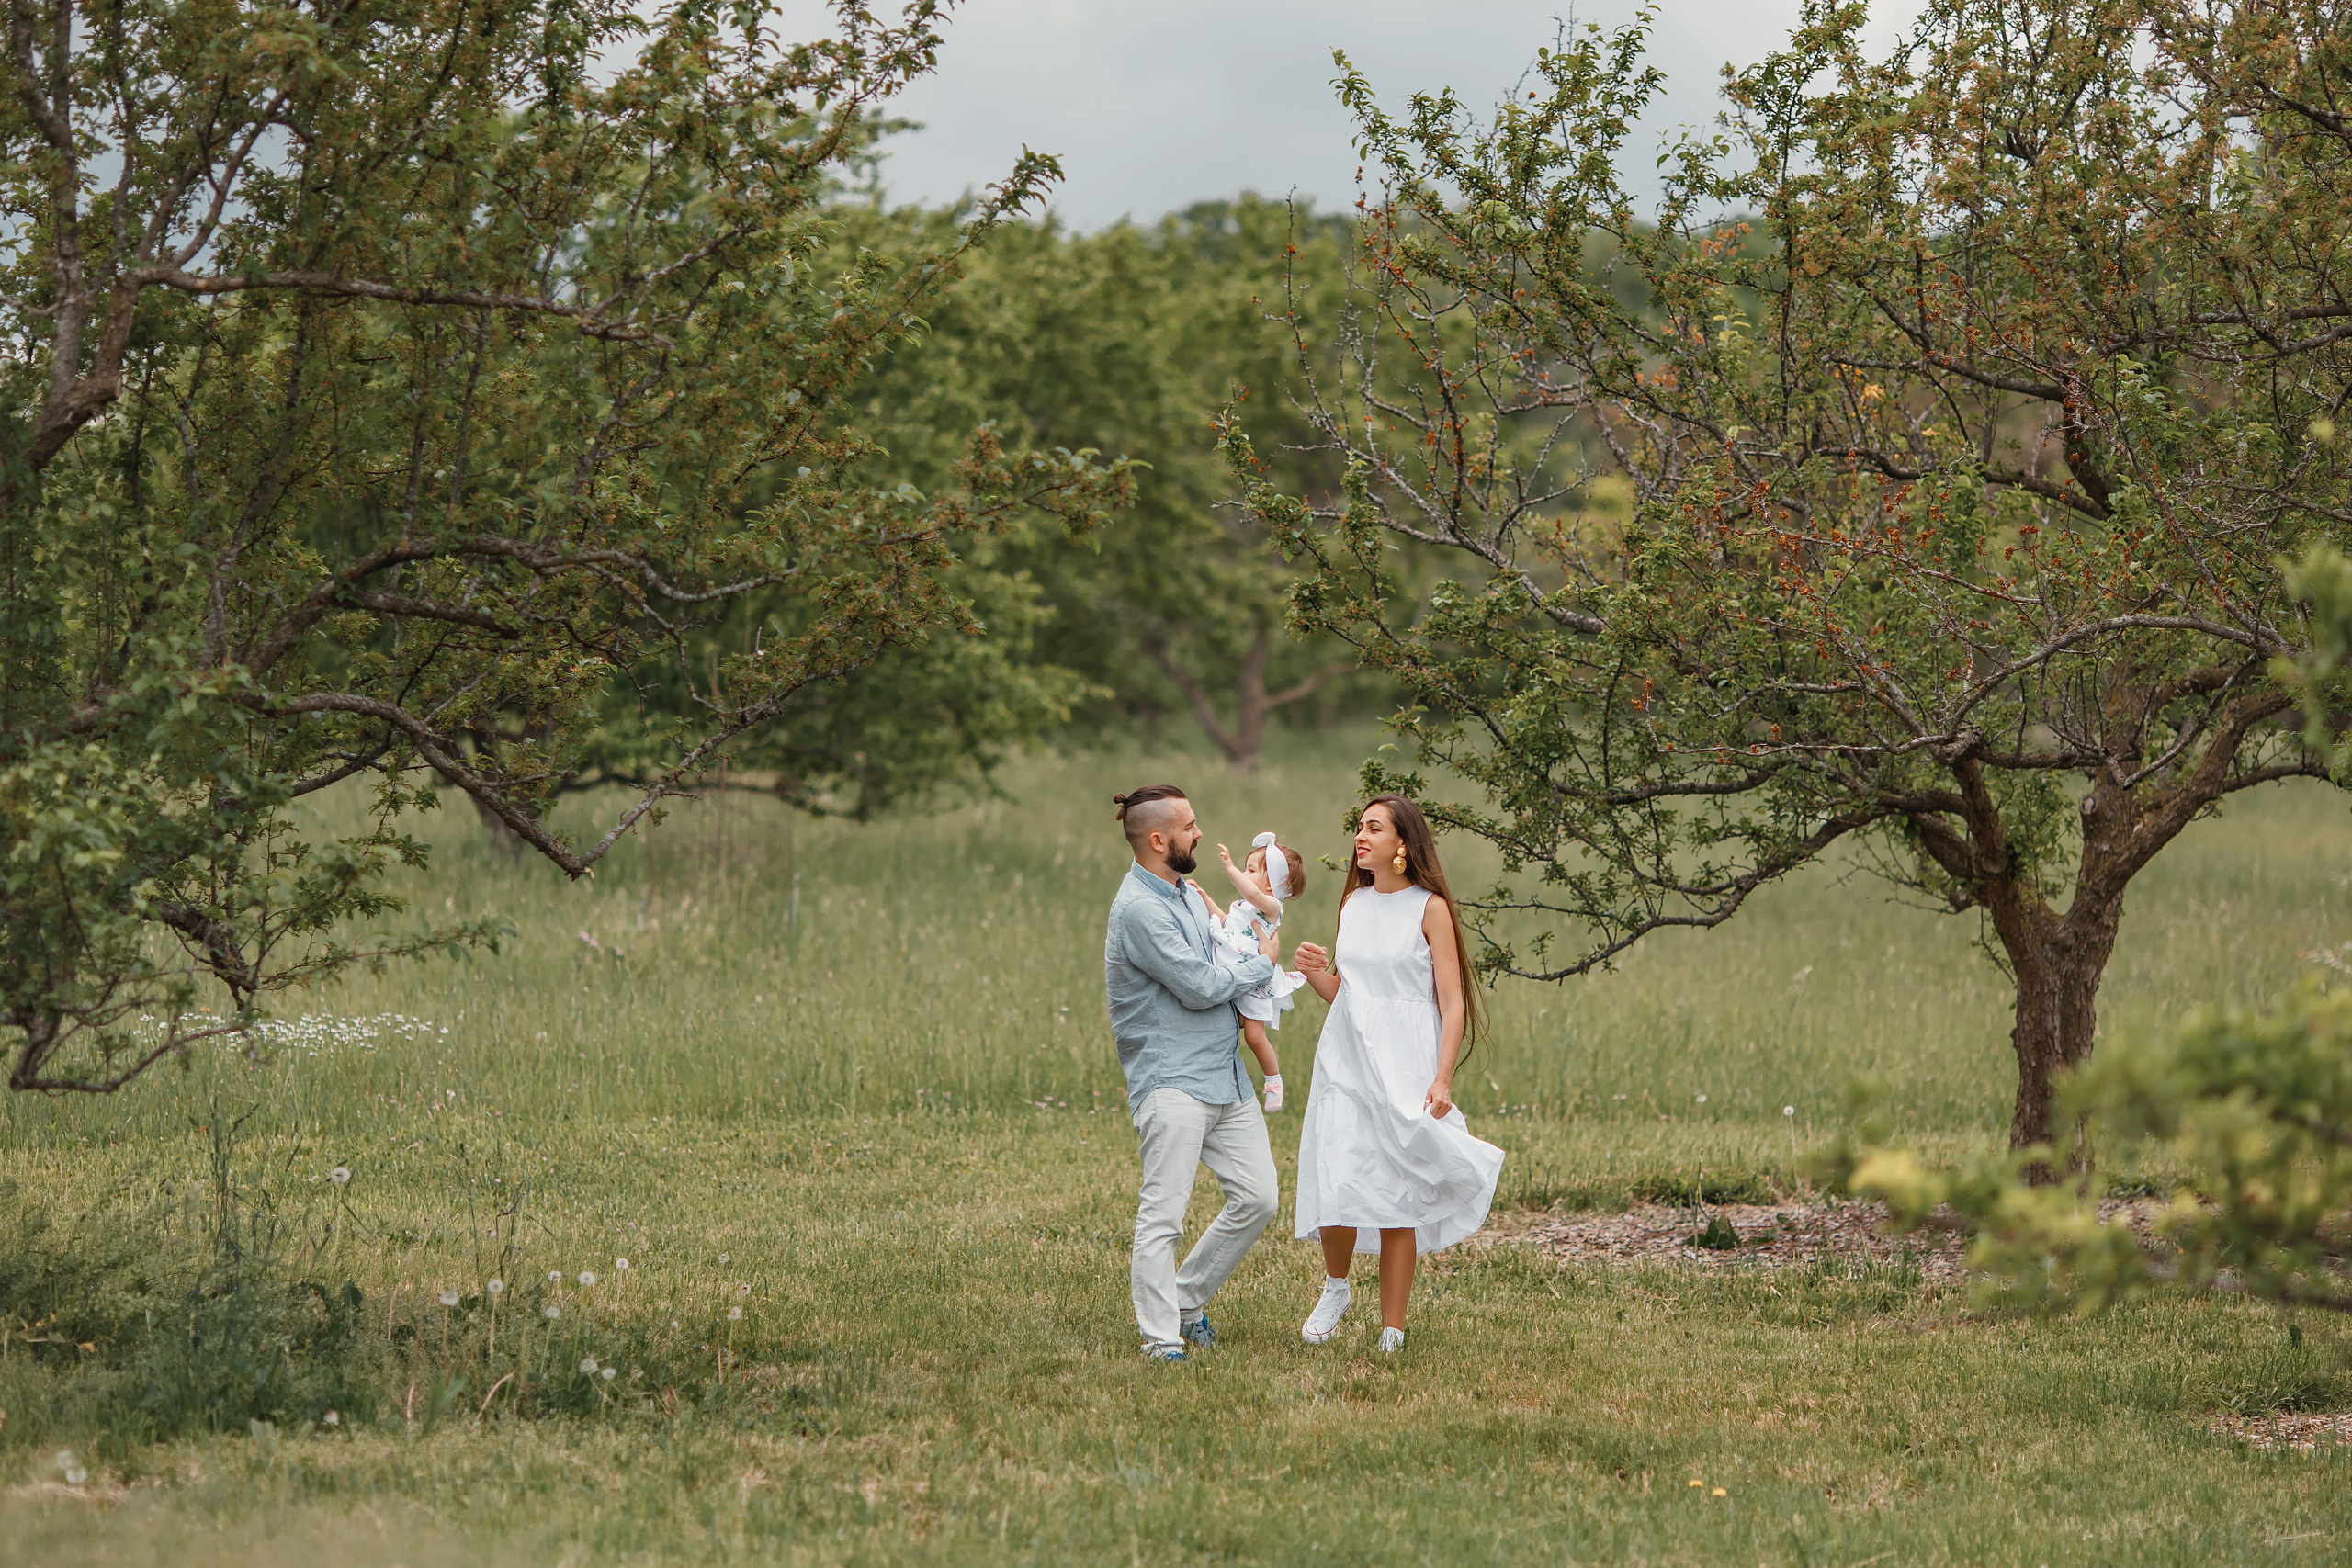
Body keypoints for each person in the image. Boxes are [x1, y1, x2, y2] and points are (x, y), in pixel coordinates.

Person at [1290, 795, 1504, 1355]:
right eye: (1359, 827)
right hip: (1345, 1054)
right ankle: (1335, 1290)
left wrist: (1442, 1078)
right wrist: (1317, 975)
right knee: (1340, 1169)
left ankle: (1392, 1328)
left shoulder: (1429, 908)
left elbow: (1452, 1003)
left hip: (1407, 1056)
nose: (1360, 837)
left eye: (1374, 828)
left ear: (1402, 845)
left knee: (1397, 1187)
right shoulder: (1353, 905)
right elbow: (1350, 997)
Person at [1103, 784, 1283, 1362]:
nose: (1200, 832)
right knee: (1164, 1214)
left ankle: (1185, 1298)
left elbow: (1220, 952)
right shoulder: (1140, 909)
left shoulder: (1184, 892)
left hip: (1223, 1072)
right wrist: (1264, 964)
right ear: (1159, 839)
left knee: (1258, 1199)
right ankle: (1161, 1338)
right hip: (1170, 1077)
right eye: (1190, 825)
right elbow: (1201, 985)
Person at [1206, 831, 1308, 1112]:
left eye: (1250, 870)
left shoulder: (1272, 906)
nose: (1243, 873)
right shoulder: (1245, 906)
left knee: (1253, 1035)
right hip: (1236, 971)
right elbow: (1227, 923)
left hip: (1256, 979)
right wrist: (1203, 897)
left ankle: (1273, 1080)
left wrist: (1228, 867)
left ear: (1272, 882)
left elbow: (1251, 891)